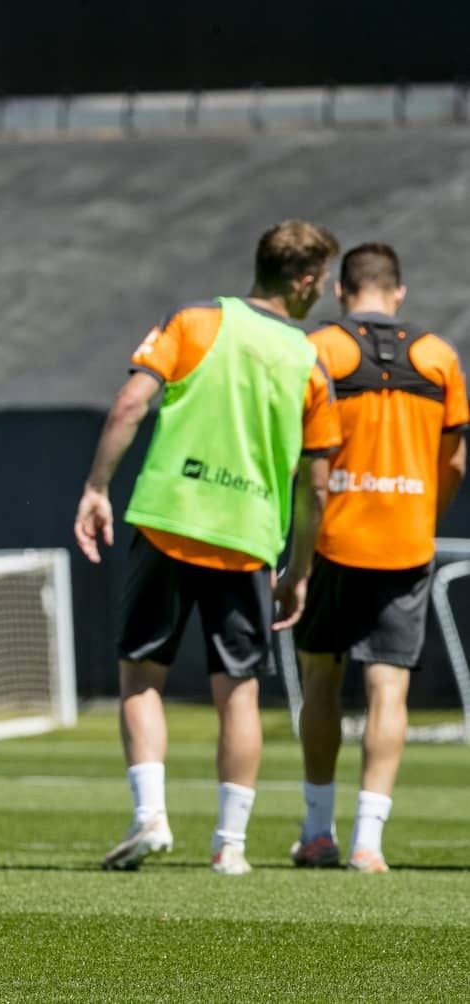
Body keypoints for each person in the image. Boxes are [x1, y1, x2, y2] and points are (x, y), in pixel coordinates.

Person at [73, 220, 342, 875]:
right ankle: (231, 847)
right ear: (304, 281)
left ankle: (150, 818)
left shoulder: (195, 322)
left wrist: (96, 488)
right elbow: (317, 485)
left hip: (168, 519)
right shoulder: (310, 362)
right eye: (323, 281)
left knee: (141, 677)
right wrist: (300, 569)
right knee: (239, 691)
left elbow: (129, 405)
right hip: (246, 538)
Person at [288, 243, 468, 873]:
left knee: (320, 678)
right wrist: (422, 515)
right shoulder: (439, 357)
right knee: (388, 687)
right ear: (399, 292)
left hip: (334, 538)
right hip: (404, 541)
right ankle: (369, 842)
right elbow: (455, 462)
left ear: (340, 289)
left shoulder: (320, 352)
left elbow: (299, 452)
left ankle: (317, 832)